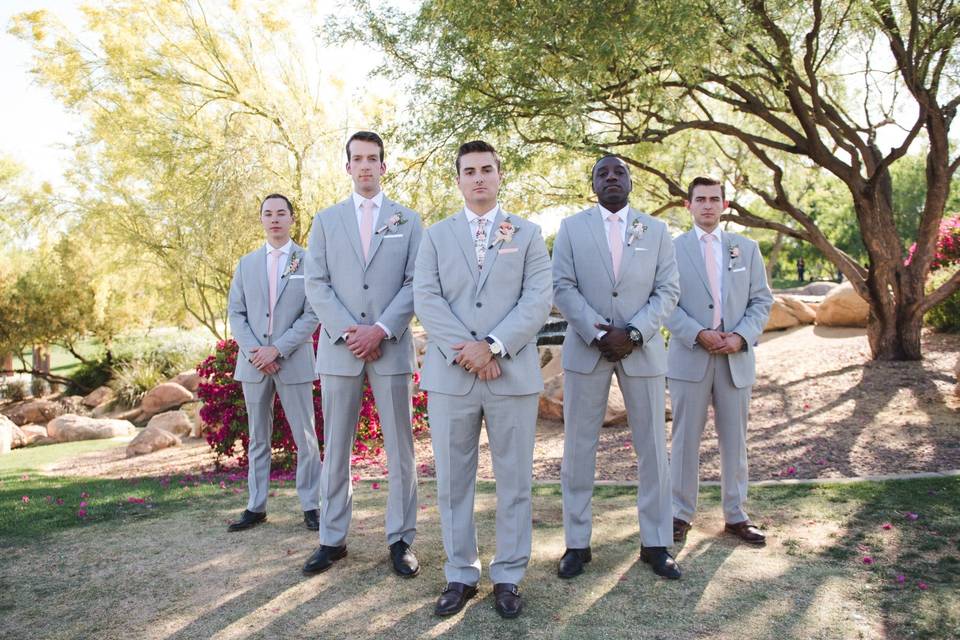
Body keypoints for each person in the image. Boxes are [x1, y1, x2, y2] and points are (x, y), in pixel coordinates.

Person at [413, 140, 552, 618]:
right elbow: (427, 299)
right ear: (458, 179)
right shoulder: (436, 236)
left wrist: (493, 346)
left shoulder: (528, 234)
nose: (478, 178)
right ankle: (460, 573)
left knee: (514, 481)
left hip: (511, 374)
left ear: (499, 175)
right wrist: (470, 353)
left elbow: (537, 300)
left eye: (486, 169)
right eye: (469, 170)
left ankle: (509, 576)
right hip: (452, 377)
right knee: (453, 482)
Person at [552, 155, 682, 581]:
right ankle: (577, 544)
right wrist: (597, 332)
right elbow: (562, 286)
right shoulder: (571, 229)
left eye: (619, 172)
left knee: (652, 451)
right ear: (592, 185)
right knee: (578, 448)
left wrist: (635, 333)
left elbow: (668, 289)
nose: (611, 177)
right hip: (587, 350)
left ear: (631, 181)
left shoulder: (657, 230)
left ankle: (656, 542)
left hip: (641, 352)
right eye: (602, 173)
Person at [302, 131, 423, 577]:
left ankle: (401, 540)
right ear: (348, 167)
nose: (366, 166)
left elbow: (416, 282)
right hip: (340, 349)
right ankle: (332, 539)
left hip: (389, 348)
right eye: (358, 159)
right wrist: (351, 331)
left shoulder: (408, 221)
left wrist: (381, 329)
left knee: (401, 448)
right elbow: (316, 284)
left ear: (384, 167)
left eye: (374, 158)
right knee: (336, 448)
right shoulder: (326, 221)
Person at [666, 177, 773, 546]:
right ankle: (679, 514)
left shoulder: (747, 248)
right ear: (688, 205)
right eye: (701, 199)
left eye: (714, 199)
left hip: (735, 358)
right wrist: (696, 332)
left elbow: (761, 300)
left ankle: (736, 515)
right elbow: (664, 301)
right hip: (689, 356)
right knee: (684, 441)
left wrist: (741, 336)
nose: (708, 205)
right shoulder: (670, 249)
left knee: (735, 440)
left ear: (724, 205)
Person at [226, 193, 322, 533]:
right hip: (253, 363)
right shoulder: (246, 263)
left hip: (292, 360)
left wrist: (277, 349)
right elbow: (236, 313)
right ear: (262, 219)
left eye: (282, 213)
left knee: (305, 436)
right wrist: (256, 351)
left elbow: (313, 313)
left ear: (292, 219)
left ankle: (312, 504)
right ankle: (256, 505)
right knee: (257, 438)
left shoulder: (309, 261)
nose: (275, 219)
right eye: (268, 213)